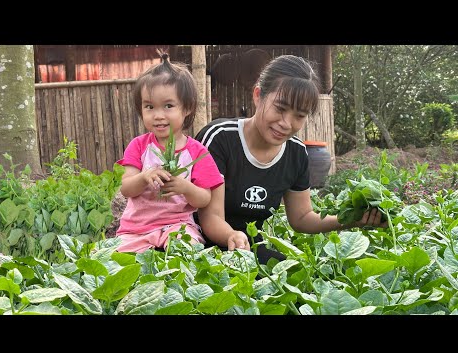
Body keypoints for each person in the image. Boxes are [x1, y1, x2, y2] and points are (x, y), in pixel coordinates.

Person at [195, 54, 387, 264]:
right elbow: (210, 218)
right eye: (280, 108)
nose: (286, 123)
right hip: (199, 245)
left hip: (249, 247)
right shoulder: (220, 138)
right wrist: (233, 236)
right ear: (258, 95)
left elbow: (302, 218)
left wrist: (352, 219)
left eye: (299, 115)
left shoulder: (295, 153)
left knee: (301, 283)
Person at [116, 53, 224, 253]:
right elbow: (126, 188)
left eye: (168, 106)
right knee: (122, 264)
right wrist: (144, 177)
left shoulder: (197, 151)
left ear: (187, 108)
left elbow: (204, 199)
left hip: (178, 225)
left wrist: (185, 187)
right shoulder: (138, 146)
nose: (158, 115)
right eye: (149, 107)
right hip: (136, 229)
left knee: (185, 249)